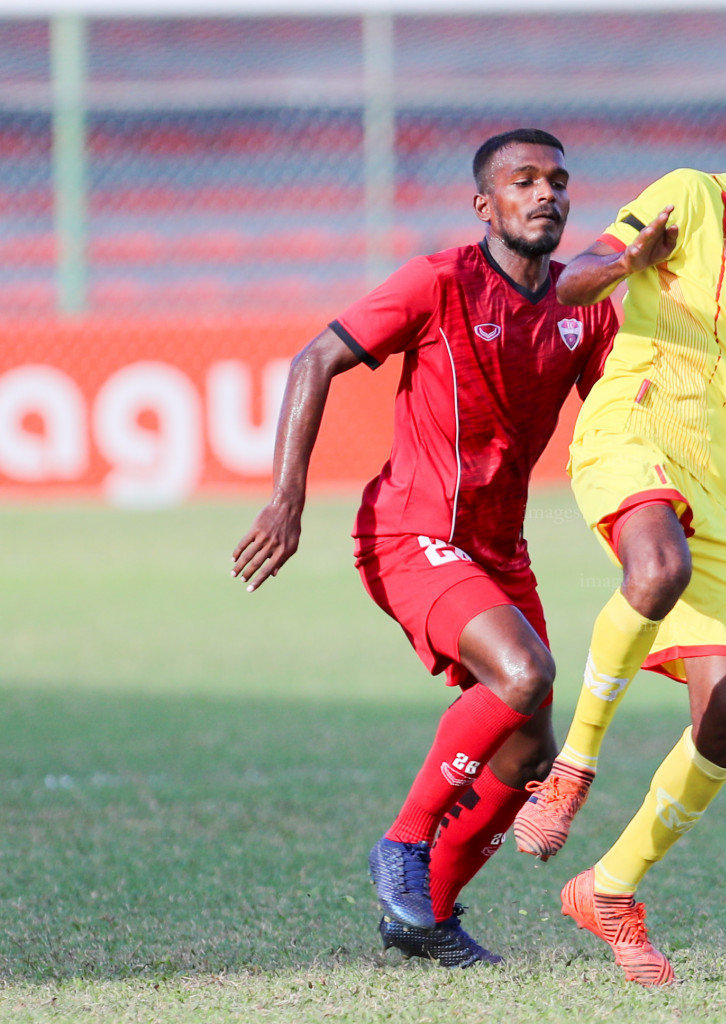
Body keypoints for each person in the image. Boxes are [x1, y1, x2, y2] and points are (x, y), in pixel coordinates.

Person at [510, 51, 726, 986]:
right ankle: (573, 766)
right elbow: (578, 276)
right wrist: (626, 260)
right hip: (634, 433)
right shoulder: (689, 198)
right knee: (654, 569)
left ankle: (611, 889)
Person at [230, 128, 617, 968]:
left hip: (498, 548)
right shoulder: (440, 281)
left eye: (557, 180)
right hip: (409, 534)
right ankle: (402, 845)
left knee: (529, 748)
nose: (546, 194)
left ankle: (426, 919)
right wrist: (285, 503)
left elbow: (624, 415)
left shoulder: (583, 305)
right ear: (486, 206)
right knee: (526, 673)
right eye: (524, 182)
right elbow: (315, 357)